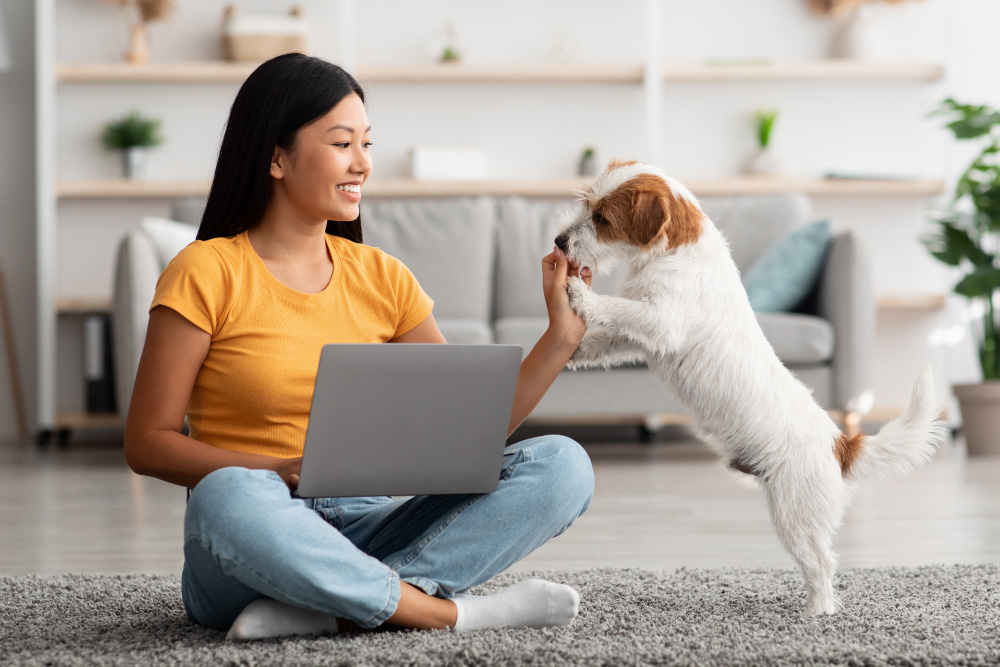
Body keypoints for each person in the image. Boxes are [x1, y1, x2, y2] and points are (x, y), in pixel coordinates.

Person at [124, 53, 595, 641]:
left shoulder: (383, 277)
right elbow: (147, 442)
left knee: (563, 465)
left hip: (370, 528)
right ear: (276, 157)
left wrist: (561, 337)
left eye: (367, 144)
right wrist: (278, 471)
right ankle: (443, 613)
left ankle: (334, 608)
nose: (363, 163)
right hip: (256, 535)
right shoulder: (206, 270)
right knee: (225, 494)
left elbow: (466, 429)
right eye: (343, 143)